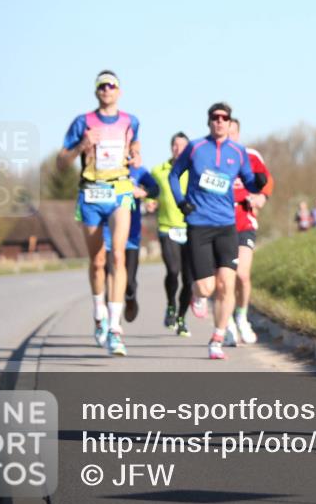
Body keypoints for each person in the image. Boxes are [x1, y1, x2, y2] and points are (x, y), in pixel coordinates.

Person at [169, 102, 267, 360]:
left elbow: (247, 180)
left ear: (229, 122)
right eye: (215, 117)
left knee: (227, 283)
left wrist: (257, 184)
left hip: (226, 225)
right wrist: (181, 202)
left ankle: (217, 338)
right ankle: (197, 295)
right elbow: (173, 175)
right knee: (206, 287)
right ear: (209, 121)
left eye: (224, 118)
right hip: (199, 224)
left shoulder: (238, 151)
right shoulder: (196, 148)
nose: (220, 121)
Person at [57, 70, 141, 357]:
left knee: (118, 255)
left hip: (119, 191)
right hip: (91, 193)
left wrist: (136, 154)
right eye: (102, 86)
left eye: (111, 85)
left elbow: (135, 146)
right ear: (96, 92)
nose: (107, 89)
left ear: (119, 90)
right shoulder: (83, 122)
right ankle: (99, 315)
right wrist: (81, 146)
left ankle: (116, 330)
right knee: (97, 262)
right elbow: (61, 162)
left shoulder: (131, 121)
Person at [226, 117, 275, 345]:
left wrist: (261, 197)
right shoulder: (214, 158)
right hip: (220, 224)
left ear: (238, 134)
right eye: (226, 132)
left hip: (245, 221)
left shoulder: (251, 156)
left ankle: (242, 316)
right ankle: (225, 323)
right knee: (223, 279)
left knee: (242, 275)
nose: (229, 137)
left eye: (233, 133)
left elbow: (267, 181)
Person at [150, 132, 195, 337]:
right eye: (175, 145)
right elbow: (148, 191)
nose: (178, 149)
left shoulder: (194, 170)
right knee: (173, 270)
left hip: (190, 228)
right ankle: (170, 305)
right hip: (167, 228)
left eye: (182, 146)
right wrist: (147, 202)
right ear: (171, 148)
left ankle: (181, 318)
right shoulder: (159, 171)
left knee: (188, 279)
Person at [102, 164, 159, 323]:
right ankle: (113, 319)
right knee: (110, 276)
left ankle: (130, 298)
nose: (131, 156)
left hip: (132, 235)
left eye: (135, 153)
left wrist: (144, 192)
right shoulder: (106, 168)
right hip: (108, 232)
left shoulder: (139, 171)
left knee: (130, 282)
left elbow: (156, 189)